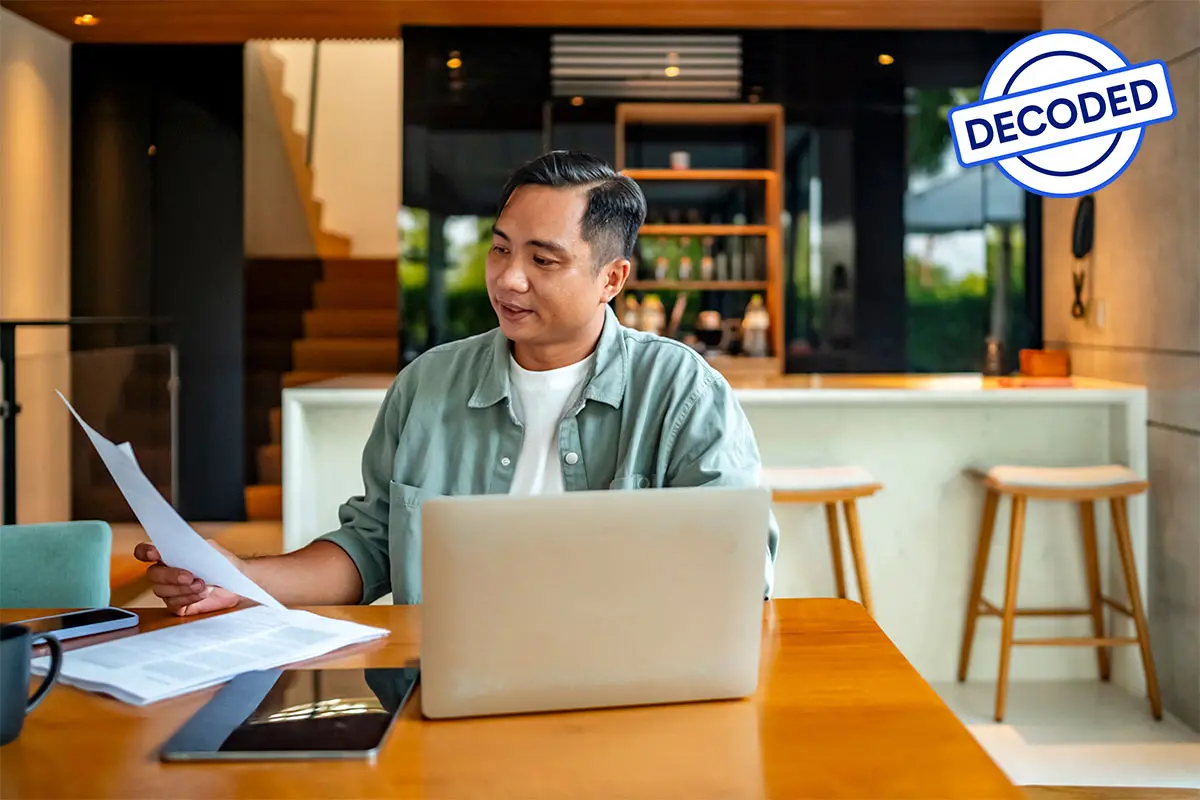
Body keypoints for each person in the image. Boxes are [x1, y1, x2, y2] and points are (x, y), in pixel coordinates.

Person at [135, 151, 780, 615]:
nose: (508, 279)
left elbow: (737, 566)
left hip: (625, 683)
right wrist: (241, 577)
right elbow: (371, 546)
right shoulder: (428, 384)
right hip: (445, 678)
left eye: (542, 259)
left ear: (613, 278)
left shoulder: (679, 390)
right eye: (500, 249)